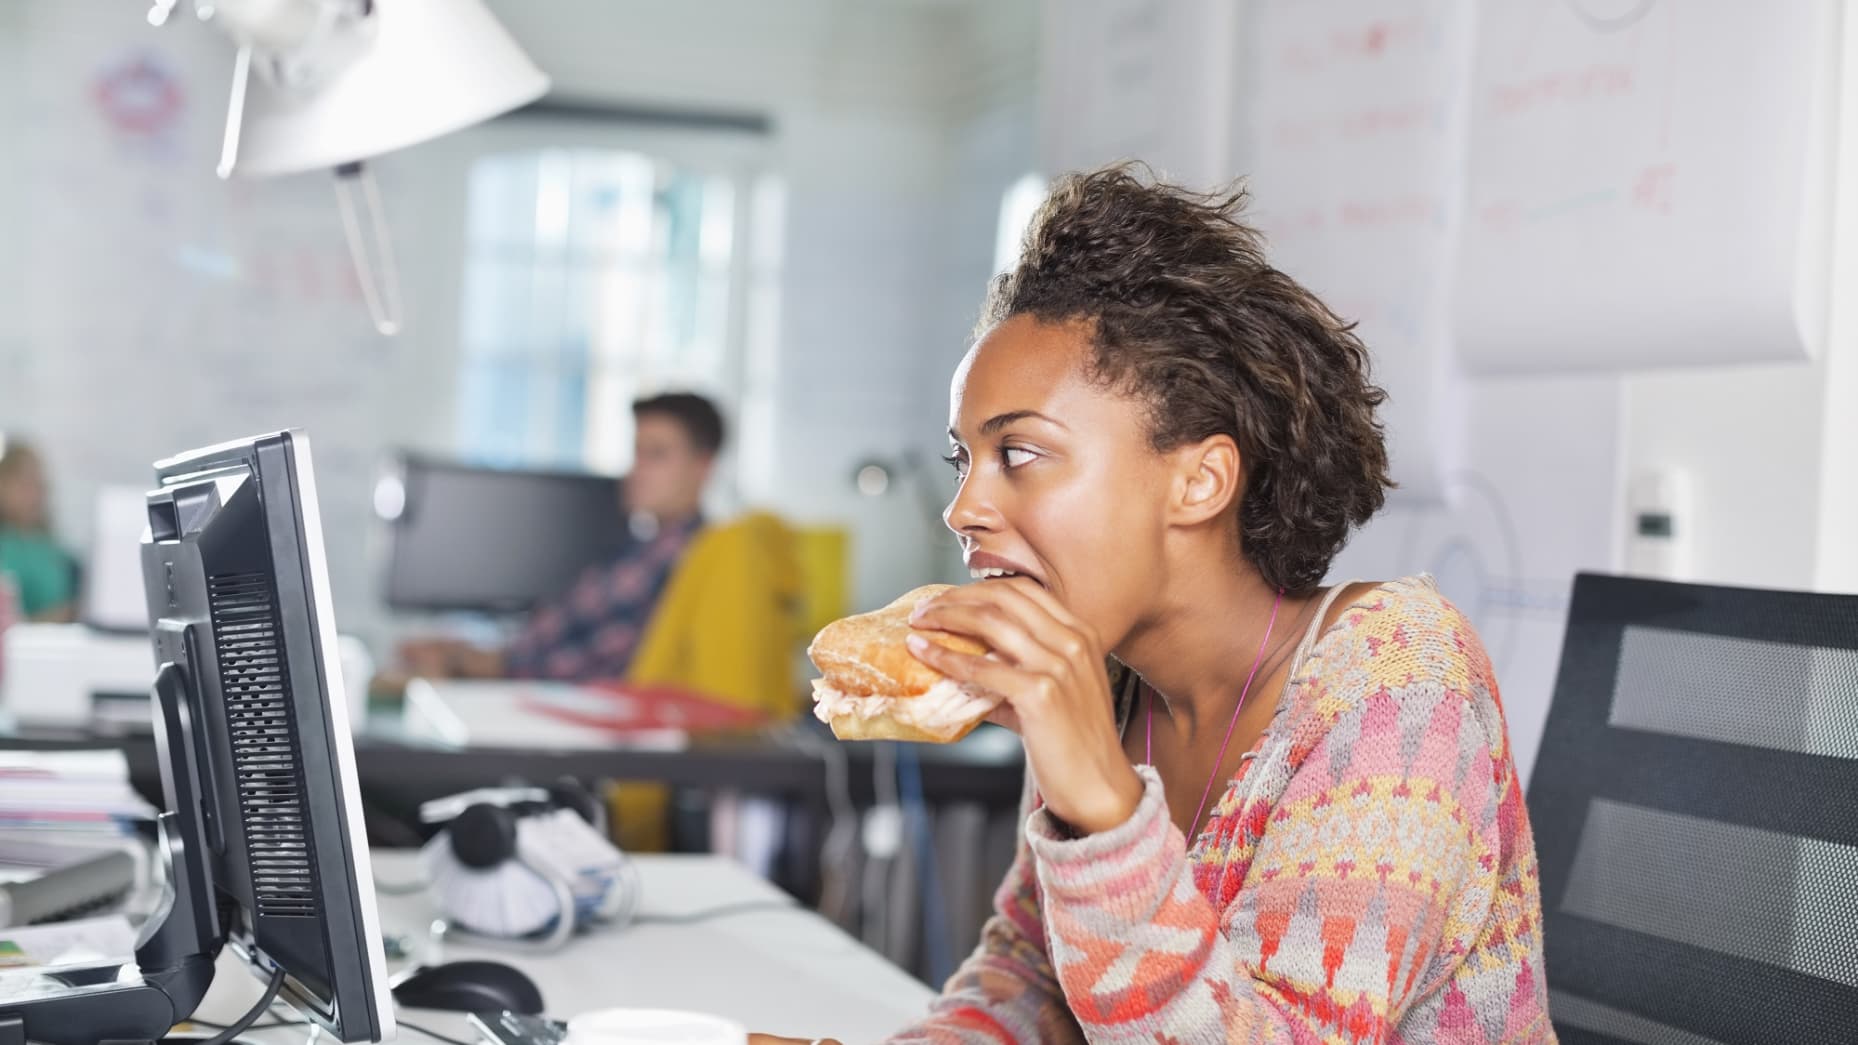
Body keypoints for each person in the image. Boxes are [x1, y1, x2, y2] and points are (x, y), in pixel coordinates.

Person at [758, 166, 1553, 1044]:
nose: (963, 510)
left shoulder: (1402, 682)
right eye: (964, 461)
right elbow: (1034, 976)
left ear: (1200, 479)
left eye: (1018, 453)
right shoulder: (1102, 674)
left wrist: (1103, 804)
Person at [395, 392, 725, 682]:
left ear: (702, 466)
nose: (637, 469)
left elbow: (585, 669)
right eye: (636, 452)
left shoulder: (682, 560)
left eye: (657, 455)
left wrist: (468, 663)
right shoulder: (641, 548)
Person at [0, 438, 78, 623]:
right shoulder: (6, 546)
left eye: (39, 482)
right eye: (24, 484)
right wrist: (61, 616)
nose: (36, 492)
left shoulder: (49, 545)